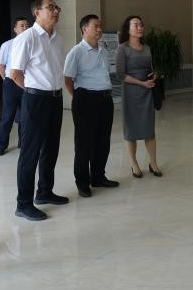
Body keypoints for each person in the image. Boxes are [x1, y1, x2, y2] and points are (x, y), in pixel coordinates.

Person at [9, 0, 68, 221]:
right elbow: (15, 74)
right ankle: (23, 204)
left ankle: (44, 192)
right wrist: (34, 90)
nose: (55, 11)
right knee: (30, 152)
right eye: (50, 7)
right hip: (35, 100)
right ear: (37, 12)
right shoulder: (27, 38)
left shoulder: (58, 39)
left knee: (51, 148)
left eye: (56, 7)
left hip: (55, 99)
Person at [64, 14, 119, 198]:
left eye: (100, 26)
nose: (99, 29)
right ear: (84, 29)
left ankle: (98, 177)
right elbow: (68, 79)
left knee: (103, 141)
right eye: (96, 26)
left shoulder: (103, 51)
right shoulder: (76, 52)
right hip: (85, 99)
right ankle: (82, 182)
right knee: (84, 143)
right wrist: (80, 97)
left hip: (105, 99)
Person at [115, 15, 162, 178]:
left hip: (147, 92)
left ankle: (153, 163)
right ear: (127, 29)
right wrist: (141, 83)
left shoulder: (147, 48)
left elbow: (151, 68)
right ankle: (134, 164)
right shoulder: (122, 48)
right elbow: (120, 75)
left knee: (149, 130)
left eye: (141, 25)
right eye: (135, 25)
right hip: (131, 93)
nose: (140, 27)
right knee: (131, 131)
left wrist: (154, 75)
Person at [0, 17, 29, 155]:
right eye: (22, 26)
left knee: (25, 116)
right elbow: (0, 65)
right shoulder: (7, 45)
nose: (25, 28)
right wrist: (6, 80)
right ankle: (1, 145)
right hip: (11, 83)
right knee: (8, 116)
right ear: (15, 29)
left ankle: (23, 143)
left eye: (27, 25)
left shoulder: (31, 44)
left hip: (26, 83)